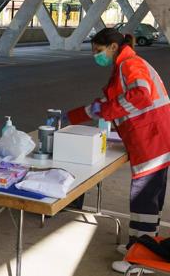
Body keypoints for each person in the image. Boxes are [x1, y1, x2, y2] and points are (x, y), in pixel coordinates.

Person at [65, 28, 170, 274]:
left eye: (98, 51)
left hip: (150, 138)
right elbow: (105, 105)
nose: (96, 56)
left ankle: (140, 260)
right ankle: (141, 244)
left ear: (113, 47)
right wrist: (73, 115)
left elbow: (140, 96)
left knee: (144, 198)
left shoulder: (130, 65)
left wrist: (108, 112)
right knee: (151, 198)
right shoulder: (124, 65)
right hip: (154, 137)